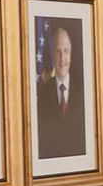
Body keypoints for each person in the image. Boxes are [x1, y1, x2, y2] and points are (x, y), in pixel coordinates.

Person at [35, 21, 84, 159]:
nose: (62, 58)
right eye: (58, 51)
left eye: (66, 51)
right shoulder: (42, 93)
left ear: (71, 55)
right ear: (52, 54)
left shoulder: (84, 92)